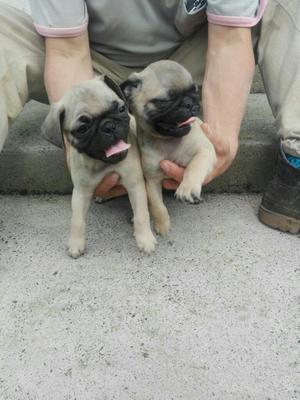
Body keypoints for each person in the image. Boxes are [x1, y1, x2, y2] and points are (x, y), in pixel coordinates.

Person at [0, 0, 299, 233]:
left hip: (182, 70)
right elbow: (67, 51)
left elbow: (230, 40)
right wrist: (80, 149)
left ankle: (296, 160)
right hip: (93, 68)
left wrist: (218, 138)